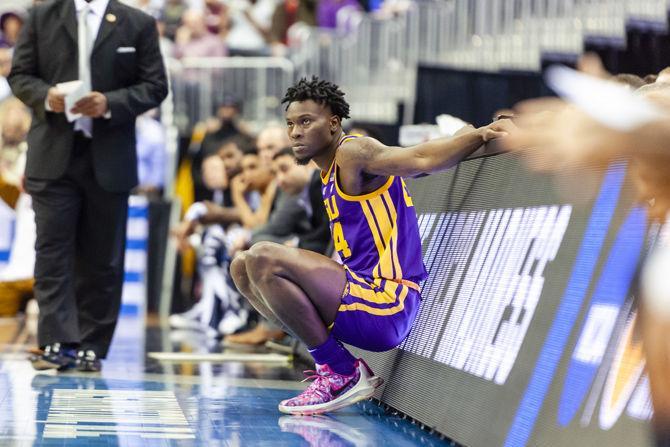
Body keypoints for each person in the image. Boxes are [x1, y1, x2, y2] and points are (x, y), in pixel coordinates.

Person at [230, 76, 513, 415]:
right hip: (359, 295)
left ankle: (338, 371)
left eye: (306, 121)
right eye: (290, 124)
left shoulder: (353, 151)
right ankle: (333, 366)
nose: (295, 132)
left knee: (262, 256)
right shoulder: (327, 173)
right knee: (241, 267)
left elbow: (421, 160)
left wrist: (480, 134)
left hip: (387, 300)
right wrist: (462, 134)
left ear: (333, 123)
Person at [8, 0, 168, 372]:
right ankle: (56, 342)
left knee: (103, 258)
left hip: (110, 156)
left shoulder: (137, 23)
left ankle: (92, 346)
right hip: (52, 155)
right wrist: (48, 96)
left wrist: (110, 103)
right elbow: (20, 76)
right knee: (51, 252)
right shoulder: (41, 17)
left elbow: (155, 85)